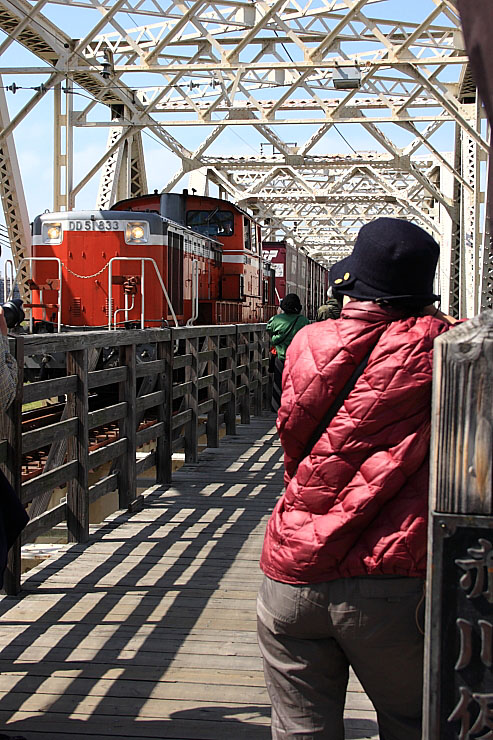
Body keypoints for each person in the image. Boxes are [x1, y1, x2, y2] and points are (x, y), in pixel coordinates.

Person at [257, 217, 457, 740]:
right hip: (391, 580)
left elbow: (291, 443)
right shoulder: (448, 349)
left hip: (292, 569)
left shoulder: (307, 344)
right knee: (415, 723)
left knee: (301, 730)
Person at [266, 294, 309, 412]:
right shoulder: (303, 320)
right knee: (295, 383)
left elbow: (268, 328)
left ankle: (276, 407)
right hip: (297, 358)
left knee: (278, 382)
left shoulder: (276, 319)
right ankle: (293, 407)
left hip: (280, 356)